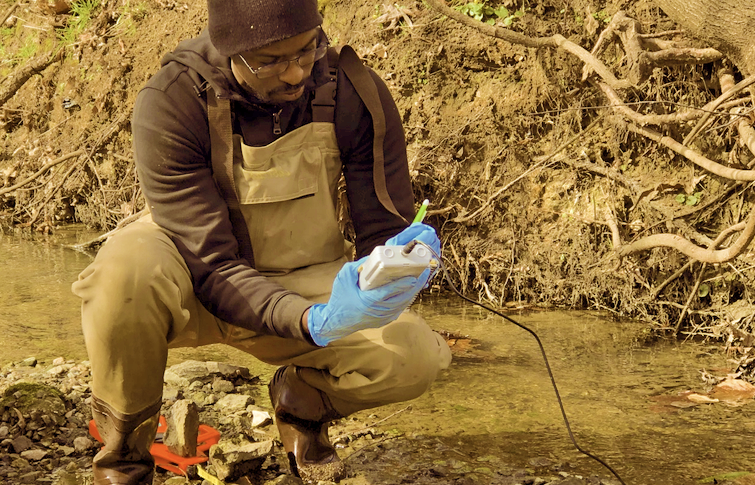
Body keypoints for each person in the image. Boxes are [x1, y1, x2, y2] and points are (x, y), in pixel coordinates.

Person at [71, 0, 452, 483]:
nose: (295, 74)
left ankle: (302, 403)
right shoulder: (171, 101)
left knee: (416, 357)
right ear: (231, 49)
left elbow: (382, 228)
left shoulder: (351, 91)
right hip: (194, 277)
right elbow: (213, 267)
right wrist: (312, 320)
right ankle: (124, 459)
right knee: (120, 275)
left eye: (306, 50)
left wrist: (399, 265)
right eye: (270, 61)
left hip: (304, 276)